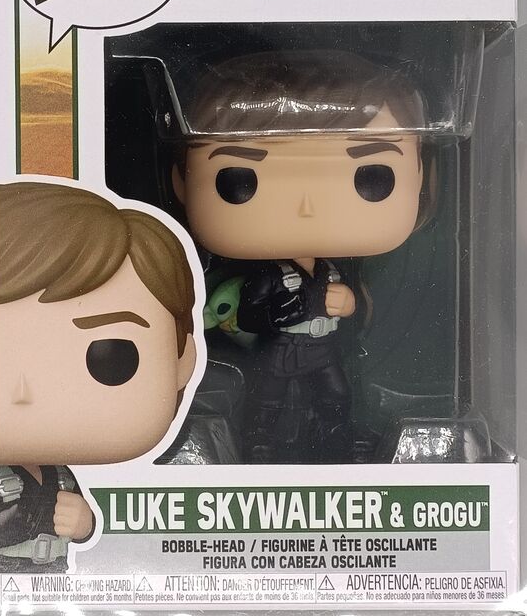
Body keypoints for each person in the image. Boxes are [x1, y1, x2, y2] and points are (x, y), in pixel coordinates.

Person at [171, 50, 428, 462]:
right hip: (280, 351)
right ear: (181, 182)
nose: (307, 206)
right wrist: (280, 313)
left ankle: (336, 433)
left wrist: (351, 304)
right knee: (267, 402)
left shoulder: (333, 270)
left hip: (322, 349)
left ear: (421, 175)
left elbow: (362, 317)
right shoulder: (271, 276)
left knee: (335, 395)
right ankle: (260, 440)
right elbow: (250, 317)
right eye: (240, 179)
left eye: (371, 176)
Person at [0, 182, 198, 571]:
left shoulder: (59, 473)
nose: (23, 392)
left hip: (54, 578)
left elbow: (86, 529)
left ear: (182, 359)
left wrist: (85, 524)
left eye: (113, 357)